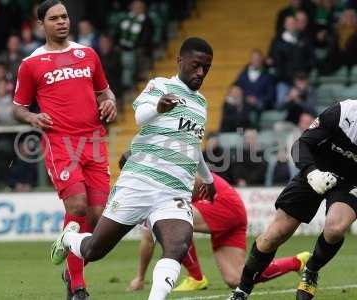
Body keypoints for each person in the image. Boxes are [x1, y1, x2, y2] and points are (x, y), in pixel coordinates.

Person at [51, 37, 216, 300]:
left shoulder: (202, 104)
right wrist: (159, 108)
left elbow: (193, 144)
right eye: (196, 65)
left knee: (177, 246)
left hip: (175, 191)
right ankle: (69, 238)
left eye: (206, 68)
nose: (200, 73)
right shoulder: (159, 85)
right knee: (95, 249)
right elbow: (139, 117)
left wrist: (208, 178)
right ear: (180, 61)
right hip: (139, 182)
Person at [12, 1, 117, 299]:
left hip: (94, 142)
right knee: (77, 207)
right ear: (40, 25)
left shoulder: (88, 54)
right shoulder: (32, 63)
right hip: (61, 144)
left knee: (98, 222)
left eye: (65, 17)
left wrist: (109, 101)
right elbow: (18, 108)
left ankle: (69, 262)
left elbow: (104, 91)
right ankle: (78, 286)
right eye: (54, 18)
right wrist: (33, 117)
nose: (62, 22)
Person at [228, 99, 357, 300]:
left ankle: (311, 270)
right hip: (315, 170)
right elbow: (301, 145)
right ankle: (242, 291)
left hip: (351, 182)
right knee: (272, 236)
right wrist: (312, 173)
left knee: (335, 228)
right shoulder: (344, 111)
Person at [125, 164, 310, 292]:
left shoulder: (166, 173)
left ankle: (196, 278)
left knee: (175, 220)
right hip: (234, 211)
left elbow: (198, 180)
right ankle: (298, 262)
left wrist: (140, 277)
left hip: (223, 205)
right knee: (236, 279)